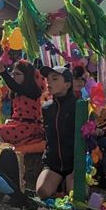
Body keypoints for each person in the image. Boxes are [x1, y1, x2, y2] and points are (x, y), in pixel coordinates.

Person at [72, 65, 106, 191]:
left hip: (90, 134)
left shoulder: (87, 96)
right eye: (77, 79)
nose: (80, 82)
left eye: (83, 80)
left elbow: (93, 118)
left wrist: (98, 130)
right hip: (77, 135)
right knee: (94, 147)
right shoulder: (70, 97)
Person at [36, 65, 77, 198]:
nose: (49, 83)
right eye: (47, 79)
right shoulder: (46, 108)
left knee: (76, 195)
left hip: (74, 164)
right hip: (53, 164)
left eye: (54, 79)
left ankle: (68, 182)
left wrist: (81, 166)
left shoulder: (79, 106)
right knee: (42, 192)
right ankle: (60, 184)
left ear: (67, 85)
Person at [0, 59, 46, 148]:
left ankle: (8, 155)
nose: (13, 76)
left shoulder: (32, 91)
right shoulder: (17, 92)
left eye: (17, 74)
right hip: (17, 124)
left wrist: (3, 72)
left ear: (27, 76)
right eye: (13, 74)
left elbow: (14, 86)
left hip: (28, 127)